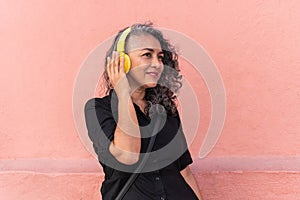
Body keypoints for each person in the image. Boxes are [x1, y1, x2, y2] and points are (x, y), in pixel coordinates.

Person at [84, 22, 202, 200]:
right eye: (147, 55)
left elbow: (184, 172)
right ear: (122, 61)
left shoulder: (166, 109)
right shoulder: (97, 109)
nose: (157, 64)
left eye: (160, 57)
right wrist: (123, 91)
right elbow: (127, 156)